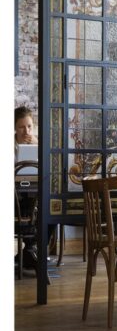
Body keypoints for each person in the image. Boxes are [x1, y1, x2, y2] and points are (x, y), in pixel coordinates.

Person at [14, 107, 41, 274]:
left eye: (29, 126)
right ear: (15, 128)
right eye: (22, 127)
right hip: (13, 195)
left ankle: (29, 251)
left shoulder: (38, 144)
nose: (26, 131)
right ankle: (28, 252)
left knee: (49, 207)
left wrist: (37, 145)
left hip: (33, 191)